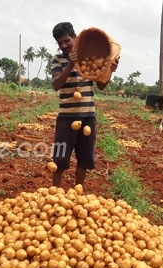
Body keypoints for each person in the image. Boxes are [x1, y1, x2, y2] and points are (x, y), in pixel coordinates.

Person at [50, 22, 119, 187]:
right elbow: (56, 85)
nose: (64, 45)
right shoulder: (57, 59)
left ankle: (77, 193)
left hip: (87, 115)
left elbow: (101, 85)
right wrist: (71, 65)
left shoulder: (89, 58)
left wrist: (110, 71)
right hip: (66, 117)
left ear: (75, 37)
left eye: (67, 41)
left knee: (85, 158)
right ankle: (54, 193)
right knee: (59, 158)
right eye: (60, 43)